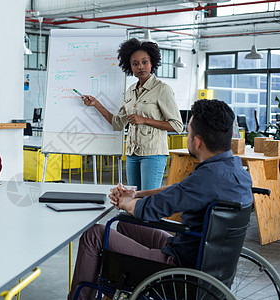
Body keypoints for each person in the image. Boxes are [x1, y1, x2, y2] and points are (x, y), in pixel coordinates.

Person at [68, 100, 253, 300]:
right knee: (125, 225)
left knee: (95, 234)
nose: (187, 138)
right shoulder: (236, 171)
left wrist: (126, 202)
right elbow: (179, 189)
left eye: (188, 134)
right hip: (202, 257)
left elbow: (149, 210)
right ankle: (109, 294)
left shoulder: (206, 178)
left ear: (197, 142)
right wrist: (136, 195)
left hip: (178, 268)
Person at [80, 38, 183, 191]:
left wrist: (144, 120)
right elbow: (117, 123)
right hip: (131, 154)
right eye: (135, 64)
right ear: (130, 67)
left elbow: (177, 126)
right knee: (133, 198)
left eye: (144, 62)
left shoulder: (162, 89)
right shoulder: (130, 91)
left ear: (152, 63)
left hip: (153, 154)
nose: (140, 66)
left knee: (147, 199)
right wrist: (96, 104)